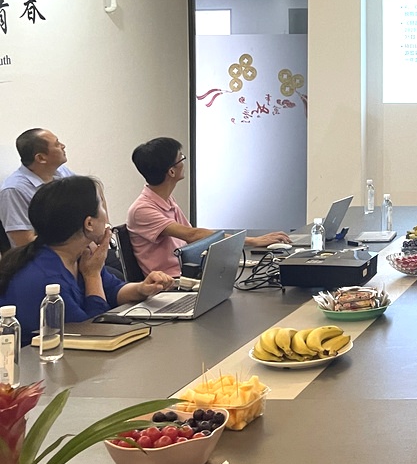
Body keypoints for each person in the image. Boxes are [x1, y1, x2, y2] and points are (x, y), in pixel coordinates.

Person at [0, 176, 173, 341]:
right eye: (101, 206)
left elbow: (113, 290)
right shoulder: (46, 279)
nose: (106, 214)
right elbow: (91, 333)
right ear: (89, 223)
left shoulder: (78, 255)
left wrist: (142, 289)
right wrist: (92, 276)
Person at [126, 137, 289, 276]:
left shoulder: (166, 199)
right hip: (171, 283)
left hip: (188, 274)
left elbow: (193, 237)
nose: (184, 162)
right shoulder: (142, 210)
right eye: (181, 158)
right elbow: (192, 235)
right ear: (172, 172)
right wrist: (253, 241)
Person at [0, 129, 75, 248]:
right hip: (43, 254)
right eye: (57, 144)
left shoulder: (61, 171)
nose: (63, 146)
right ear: (41, 158)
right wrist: (76, 241)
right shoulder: (14, 190)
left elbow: (91, 195)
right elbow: (24, 242)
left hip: (74, 247)